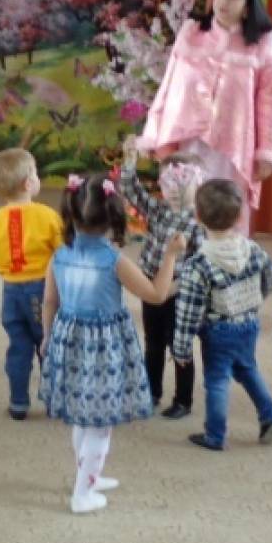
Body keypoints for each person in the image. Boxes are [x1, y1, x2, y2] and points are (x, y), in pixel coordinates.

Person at [39, 175, 184, 514]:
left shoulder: (60, 254)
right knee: (99, 424)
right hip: (102, 349)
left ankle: (87, 474)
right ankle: (82, 493)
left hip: (68, 340)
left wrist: (47, 336)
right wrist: (171, 256)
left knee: (82, 417)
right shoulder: (113, 259)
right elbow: (157, 294)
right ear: (114, 217)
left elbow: (49, 301)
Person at [138, 0, 272, 232]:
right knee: (187, 207)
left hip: (232, 147)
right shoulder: (191, 34)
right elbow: (168, 87)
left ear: (248, 6)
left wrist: (267, 151)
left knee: (225, 210)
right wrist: (154, 132)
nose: (223, 2)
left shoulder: (265, 44)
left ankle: (226, 255)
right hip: (188, 141)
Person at [172, 179, 272, 451]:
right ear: (239, 216)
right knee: (248, 369)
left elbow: (187, 312)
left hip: (218, 332)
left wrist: (181, 348)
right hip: (248, 324)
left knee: (217, 381)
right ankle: (269, 417)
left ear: (198, 217)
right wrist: (253, 300)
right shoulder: (253, 249)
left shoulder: (198, 264)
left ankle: (215, 435)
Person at [120, 136, 206, 419]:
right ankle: (151, 391)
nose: (174, 190)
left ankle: (183, 399)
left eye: (182, 183)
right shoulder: (159, 209)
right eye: (168, 183)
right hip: (151, 285)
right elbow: (131, 191)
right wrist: (130, 160)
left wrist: (177, 287)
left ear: (198, 184)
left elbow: (201, 264)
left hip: (179, 291)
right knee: (153, 341)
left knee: (179, 345)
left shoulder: (199, 223)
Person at [0, 148, 64, 421]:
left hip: (10, 291)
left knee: (18, 346)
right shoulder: (47, 216)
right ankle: (54, 400)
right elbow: (62, 252)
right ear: (29, 183)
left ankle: (18, 402)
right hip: (42, 289)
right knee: (47, 342)